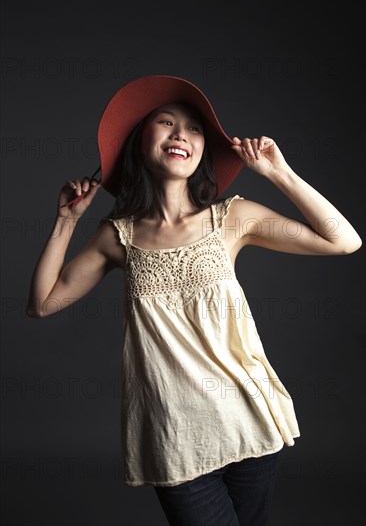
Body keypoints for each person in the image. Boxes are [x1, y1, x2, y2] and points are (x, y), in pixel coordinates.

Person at [26, 75, 362, 526]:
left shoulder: (234, 218)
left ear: (203, 149)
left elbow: (343, 241)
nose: (181, 133)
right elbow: (42, 303)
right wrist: (65, 223)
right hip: (176, 439)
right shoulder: (117, 237)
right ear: (139, 140)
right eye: (166, 122)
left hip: (250, 421)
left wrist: (279, 173)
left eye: (195, 128)